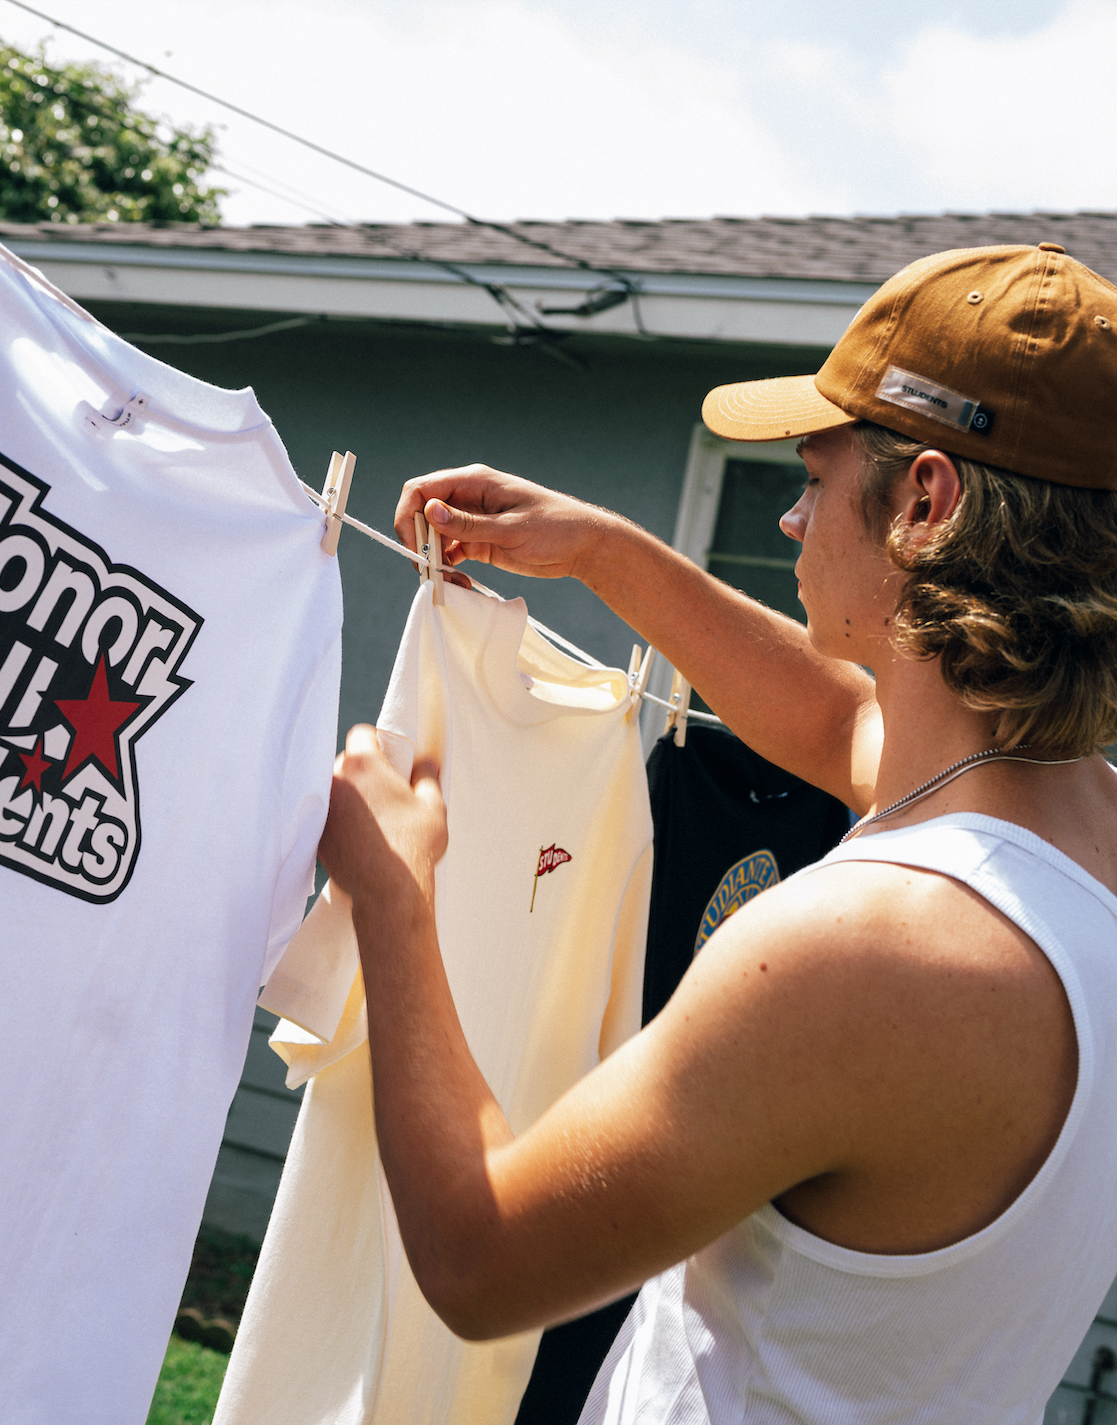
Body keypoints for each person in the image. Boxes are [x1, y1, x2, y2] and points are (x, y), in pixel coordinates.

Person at [319, 243, 1117, 1423]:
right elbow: (841, 719)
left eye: (811, 475)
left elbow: (482, 1259)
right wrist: (603, 551)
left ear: (924, 503)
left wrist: (394, 895)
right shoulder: (1075, 839)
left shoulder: (867, 948)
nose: (791, 519)